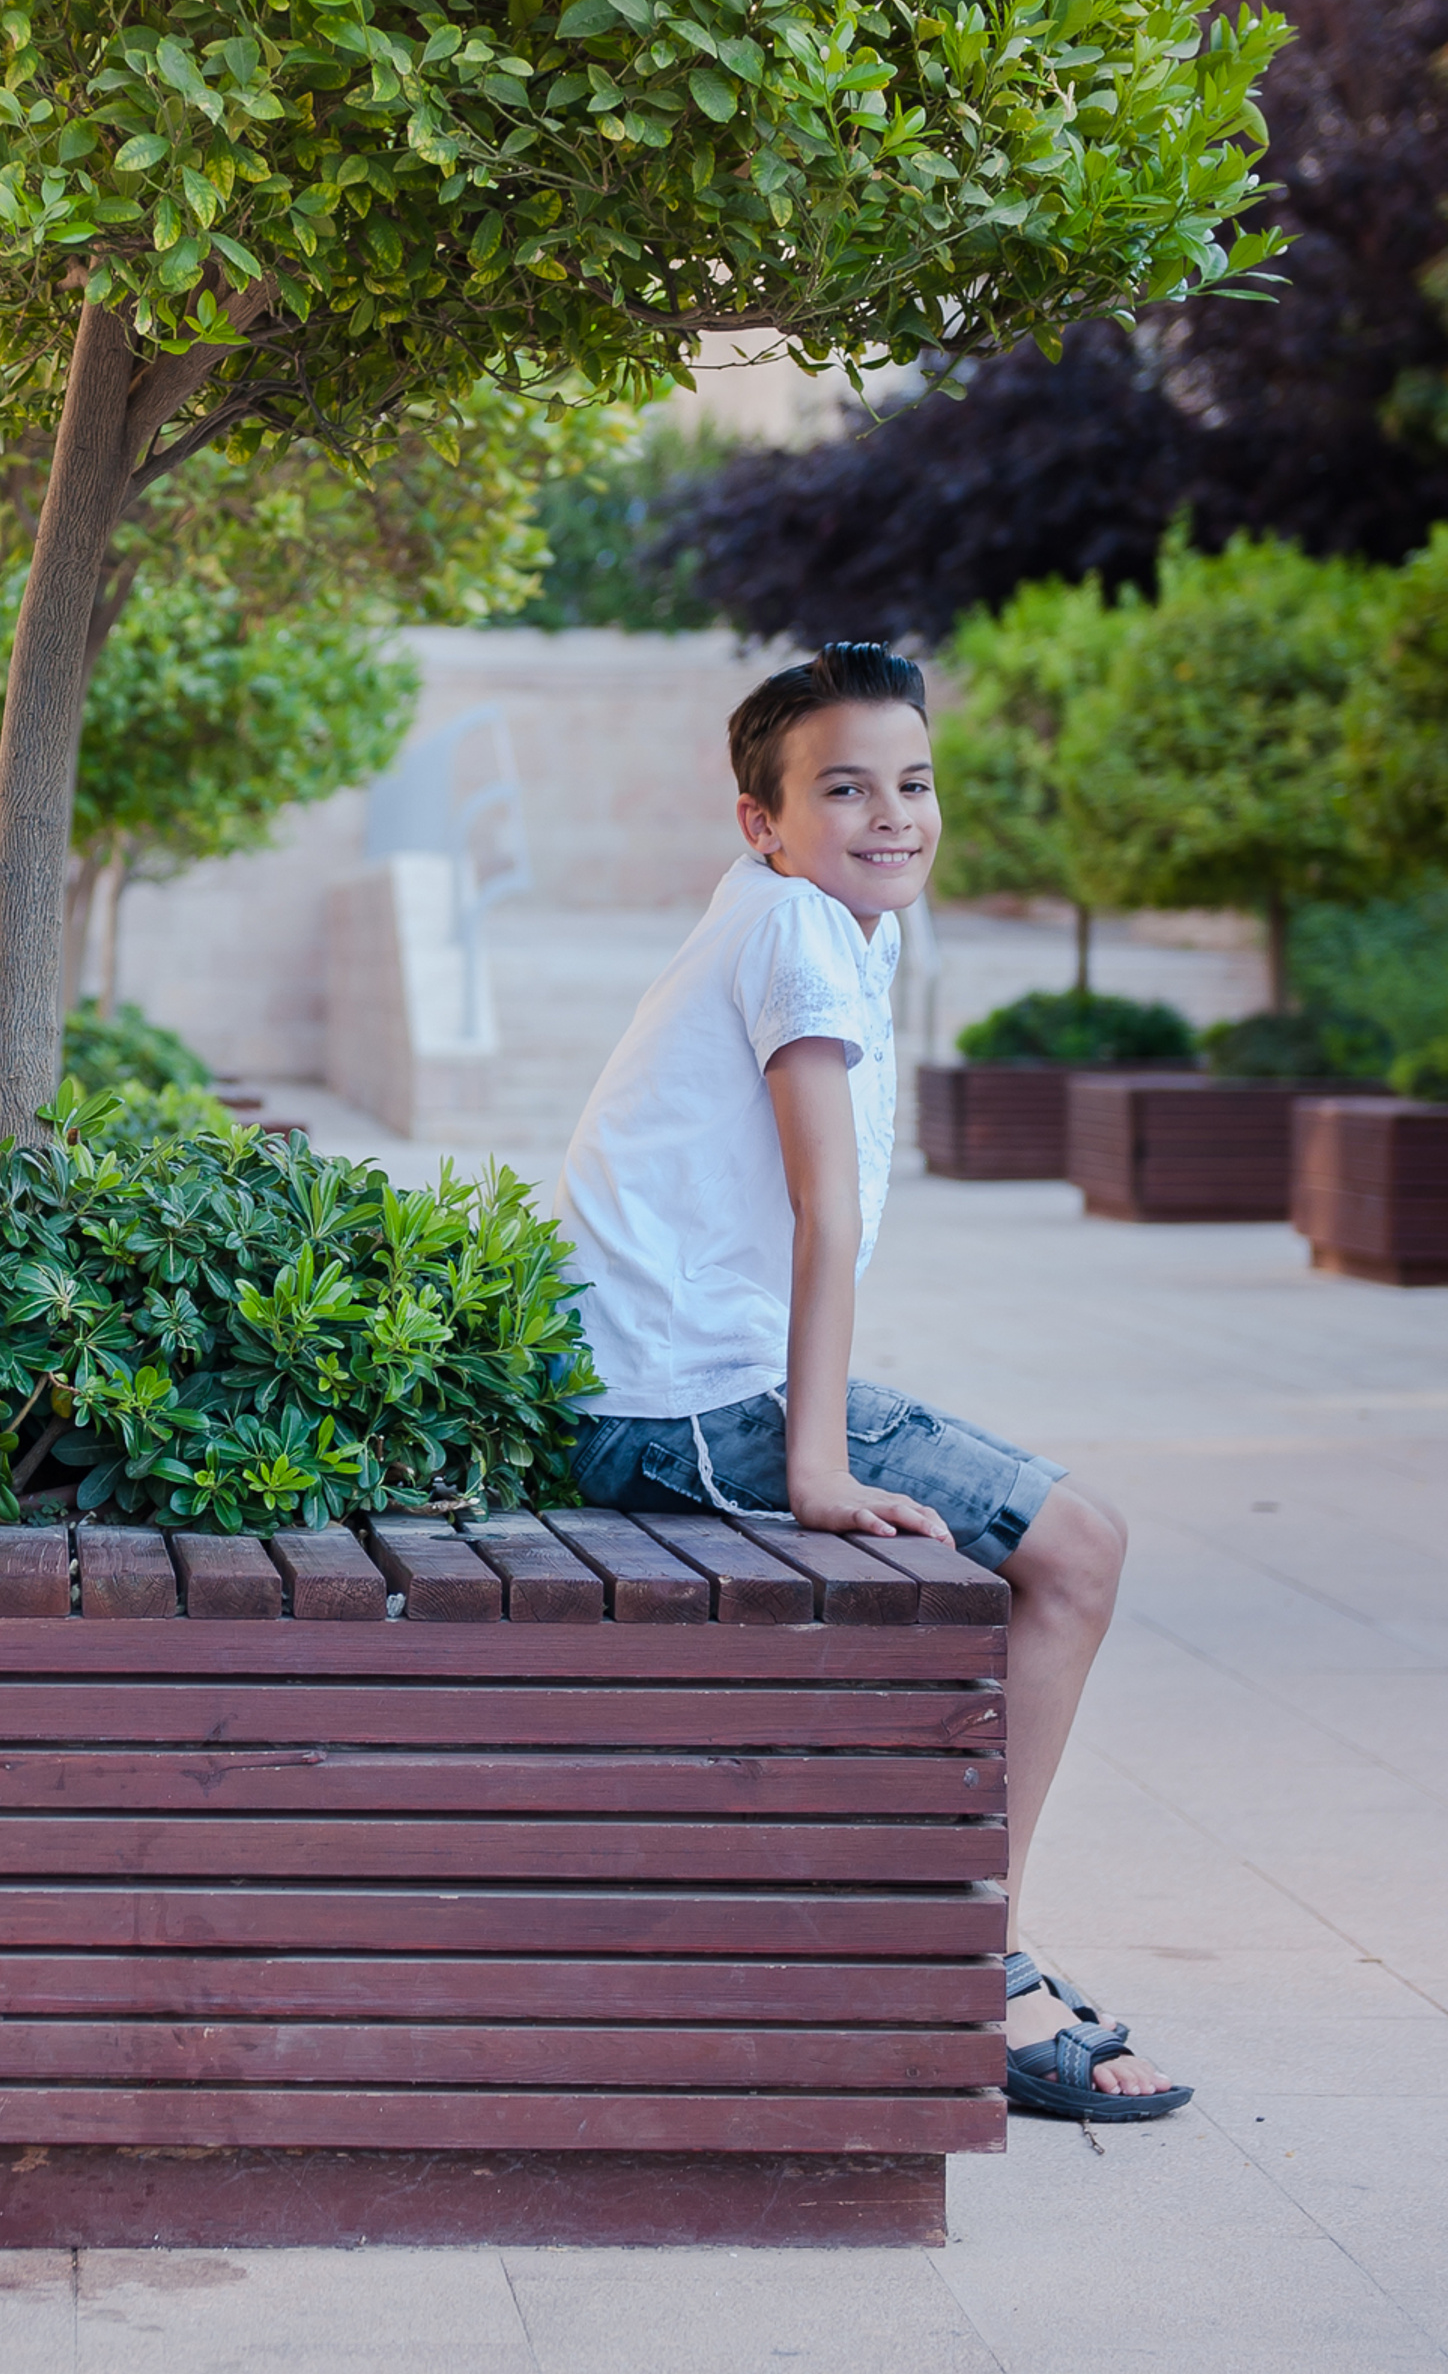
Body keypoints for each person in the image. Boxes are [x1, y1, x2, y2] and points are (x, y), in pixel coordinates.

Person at [559, 640, 1191, 2127]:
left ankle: (976, 1933)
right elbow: (825, 1211)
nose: (891, 813)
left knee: (1070, 1546)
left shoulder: (820, 919)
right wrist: (821, 1464)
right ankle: (980, 1956)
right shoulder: (791, 930)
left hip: (699, 1381)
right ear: (761, 820)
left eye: (912, 782)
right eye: (843, 788)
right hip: (686, 1409)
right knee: (1078, 1553)